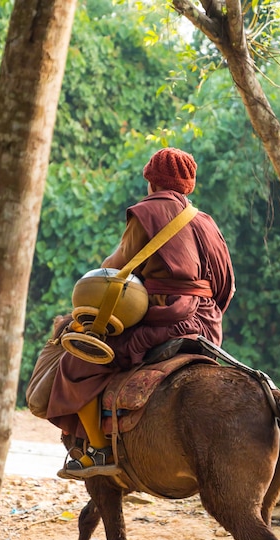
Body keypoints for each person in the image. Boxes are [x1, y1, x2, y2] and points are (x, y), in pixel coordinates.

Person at [46, 147, 235, 478]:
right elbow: (226, 287)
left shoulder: (147, 213)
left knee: (78, 362)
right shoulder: (206, 222)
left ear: (151, 181)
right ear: (187, 185)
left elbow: (113, 268)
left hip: (165, 321)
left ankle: (99, 452)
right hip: (206, 325)